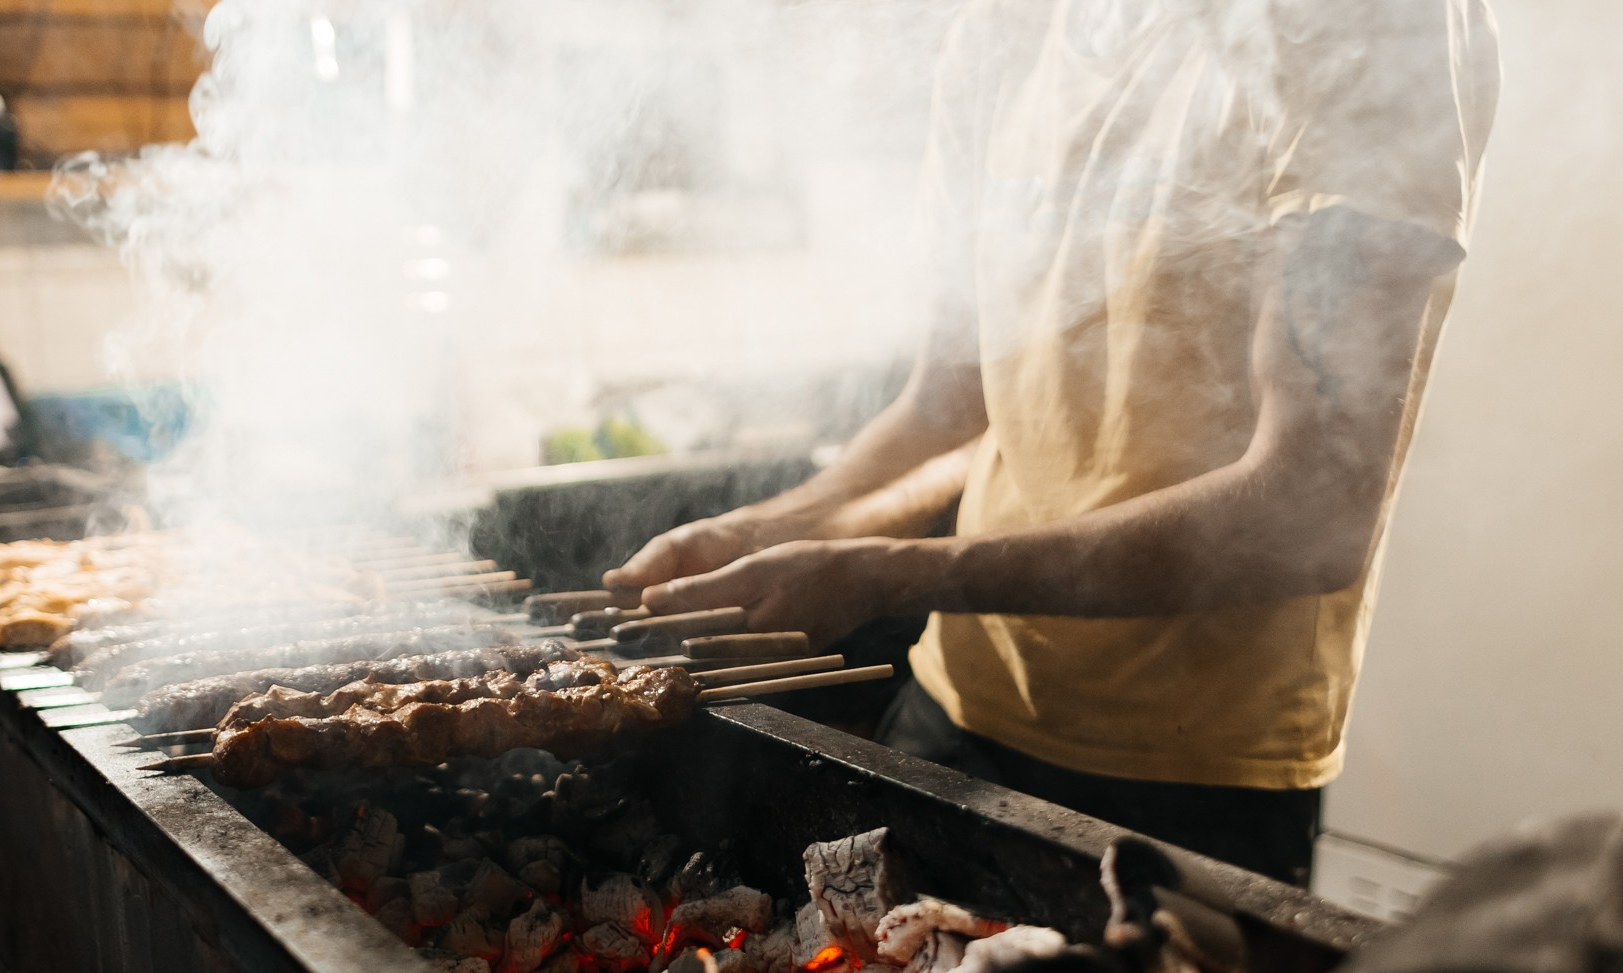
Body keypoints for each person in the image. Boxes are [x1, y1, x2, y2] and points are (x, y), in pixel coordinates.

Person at [605, 0, 1500, 887]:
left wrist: (888, 573)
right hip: (956, 704)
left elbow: (1308, 513)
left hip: (1187, 773)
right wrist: (767, 530)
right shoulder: (1005, 28)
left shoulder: (1367, 23)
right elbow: (947, 407)